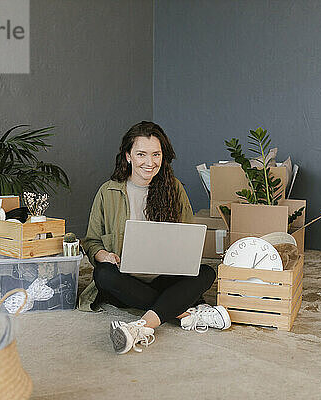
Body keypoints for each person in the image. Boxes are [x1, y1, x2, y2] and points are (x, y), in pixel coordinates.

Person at [80, 121, 231, 355]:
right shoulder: (108, 191)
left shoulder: (174, 188)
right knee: (102, 274)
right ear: (128, 156)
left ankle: (141, 326)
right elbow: (91, 241)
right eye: (141, 154)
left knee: (207, 272)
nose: (149, 163)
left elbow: (187, 237)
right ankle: (182, 311)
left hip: (164, 277)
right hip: (125, 281)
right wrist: (105, 255)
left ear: (163, 157)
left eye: (156, 155)